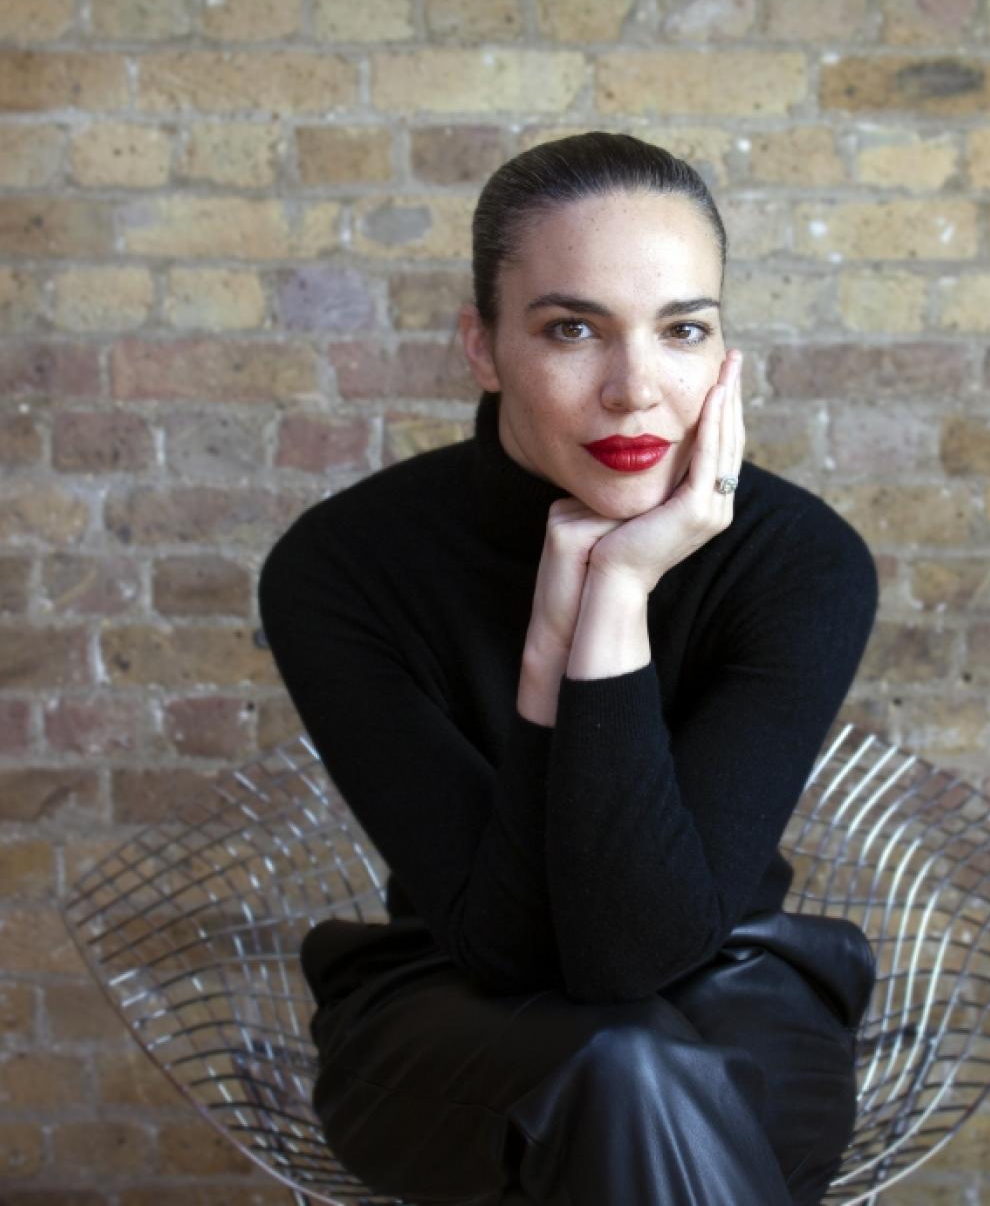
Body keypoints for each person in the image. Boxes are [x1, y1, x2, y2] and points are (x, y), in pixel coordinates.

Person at [257, 131, 881, 1205]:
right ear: (484, 347)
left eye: (683, 329)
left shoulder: (800, 563)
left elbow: (637, 951)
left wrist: (613, 603)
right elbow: (503, 944)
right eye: (572, 329)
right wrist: (554, 650)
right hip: (441, 1007)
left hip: (740, 992)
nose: (635, 389)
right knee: (620, 1066)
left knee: (633, 1063)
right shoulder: (344, 568)